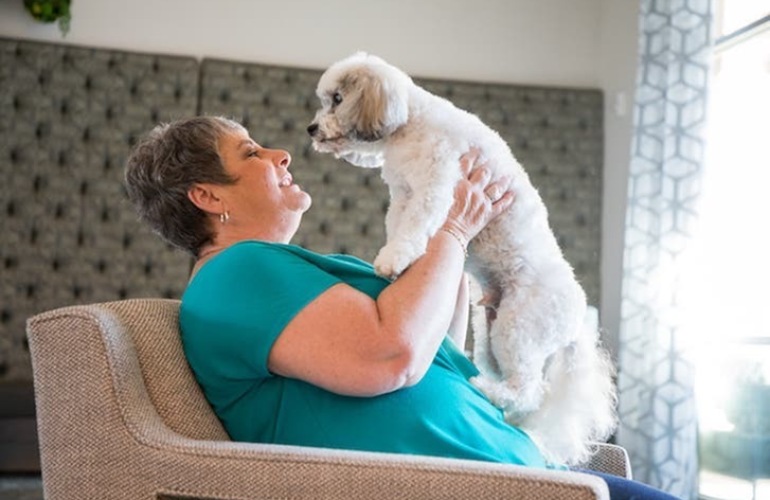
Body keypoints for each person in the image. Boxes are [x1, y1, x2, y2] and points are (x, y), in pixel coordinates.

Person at [125, 116, 679, 500]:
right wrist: (454, 230)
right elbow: (391, 356)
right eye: (250, 153)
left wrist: (447, 240)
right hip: (490, 488)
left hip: (520, 475)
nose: (280, 154)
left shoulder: (273, 269)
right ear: (208, 196)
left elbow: (429, 348)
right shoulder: (237, 273)